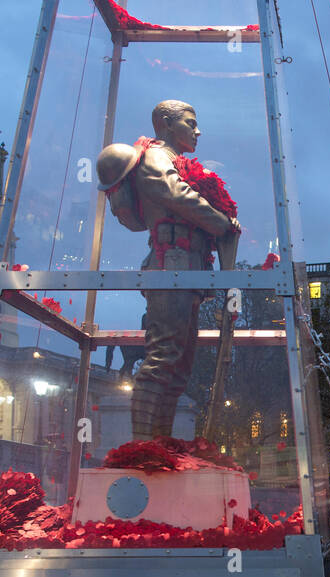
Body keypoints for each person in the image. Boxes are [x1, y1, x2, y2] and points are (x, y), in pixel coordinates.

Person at [96, 99, 242, 440]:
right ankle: (143, 445)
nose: (197, 130)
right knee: (164, 357)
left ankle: (158, 442)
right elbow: (177, 195)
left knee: (179, 365)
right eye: (189, 122)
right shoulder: (155, 157)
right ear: (165, 123)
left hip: (187, 266)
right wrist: (221, 223)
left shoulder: (173, 160)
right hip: (170, 264)